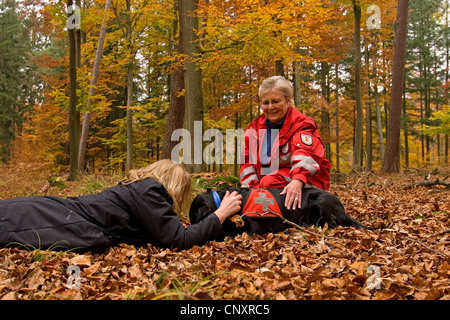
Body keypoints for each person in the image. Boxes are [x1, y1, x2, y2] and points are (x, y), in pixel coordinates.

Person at [0, 159, 242, 252]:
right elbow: (178, 240)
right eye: (180, 193)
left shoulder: (138, 190)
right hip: (61, 219)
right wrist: (219, 214)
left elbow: (163, 233)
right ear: (173, 185)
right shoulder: (150, 190)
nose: (178, 201)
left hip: (58, 213)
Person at [240, 75, 331, 210]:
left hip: (306, 181)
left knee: (269, 181)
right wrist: (254, 191)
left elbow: (305, 155)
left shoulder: (302, 124)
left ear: (288, 100)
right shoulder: (254, 129)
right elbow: (247, 164)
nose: (270, 107)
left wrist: (297, 180)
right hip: (271, 184)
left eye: (275, 101)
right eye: (266, 103)